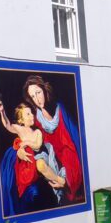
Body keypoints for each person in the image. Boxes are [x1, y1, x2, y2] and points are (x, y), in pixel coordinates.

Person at [22, 75, 84, 205]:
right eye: (33, 96)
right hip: (54, 159)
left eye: (38, 93)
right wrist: (19, 148)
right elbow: (25, 133)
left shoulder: (60, 109)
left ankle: (63, 181)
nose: (37, 99)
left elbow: (75, 138)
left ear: (44, 89)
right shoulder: (37, 120)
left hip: (71, 159)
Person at [0, 101, 66, 197]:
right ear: (21, 120)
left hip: (40, 155)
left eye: (31, 113)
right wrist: (2, 112)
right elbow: (7, 125)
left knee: (40, 164)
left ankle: (59, 180)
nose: (32, 115)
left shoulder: (37, 132)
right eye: (28, 114)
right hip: (29, 162)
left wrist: (26, 143)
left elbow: (37, 145)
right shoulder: (19, 129)